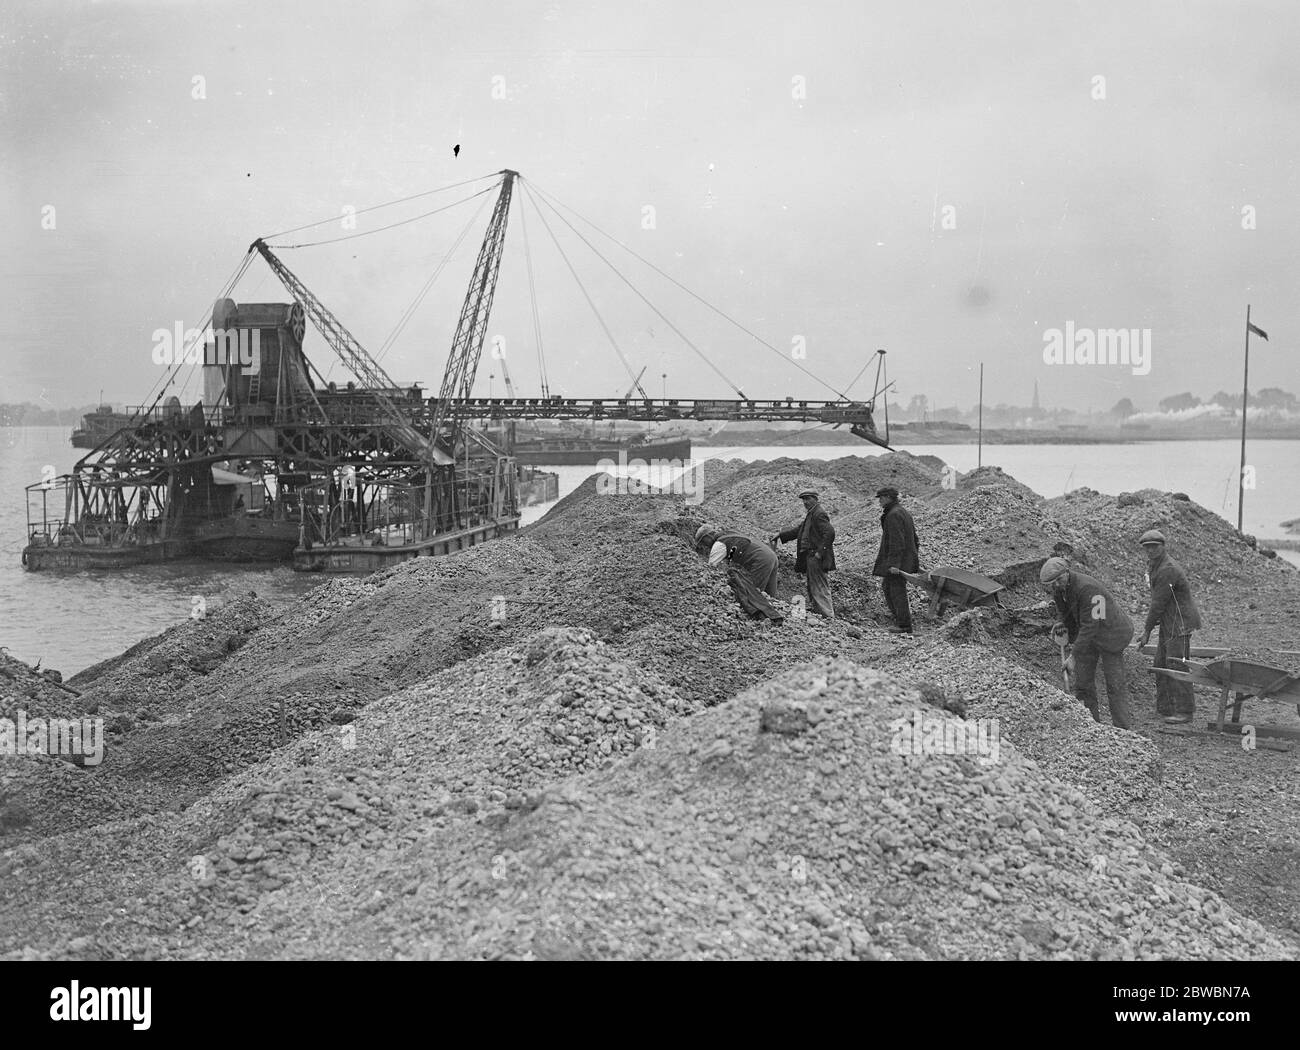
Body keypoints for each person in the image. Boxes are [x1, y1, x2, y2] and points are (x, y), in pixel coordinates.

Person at [1040, 556, 1133, 729]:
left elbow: (1091, 625)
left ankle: (1123, 730)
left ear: (1067, 572)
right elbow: (1063, 611)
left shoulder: (1088, 588)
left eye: (1059, 580)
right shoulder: (1059, 589)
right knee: (1082, 683)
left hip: (1111, 635)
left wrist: (1073, 656)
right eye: (1052, 583)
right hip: (1090, 636)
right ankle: (1091, 726)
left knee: (1114, 684)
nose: (1056, 585)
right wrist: (1061, 622)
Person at [1134, 529, 1202, 724]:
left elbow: (1158, 604)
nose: (1151, 551)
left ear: (1163, 546)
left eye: (1154, 547)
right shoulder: (1155, 565)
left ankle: (1184, 711)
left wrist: (1146, 631)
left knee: (1176, 664)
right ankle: (1165, 708)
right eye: (1147, 548)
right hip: (1169, 621)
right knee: (1160, 664)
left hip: (1179, 623)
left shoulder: (1167, 569)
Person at [771, 488, 836, 618]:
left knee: (820, 586)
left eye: (808, 499)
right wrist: (780, 535)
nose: (805, 502)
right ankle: (820, 614)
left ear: (815, 499)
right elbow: (798, 530)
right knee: (813, 584)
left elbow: (829, 533)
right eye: (804, 499)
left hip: (816, 556)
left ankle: (828, 616)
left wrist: (819, 553)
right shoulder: (811, 514)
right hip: (810, 556)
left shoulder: (819, 514)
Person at [872, 486, 920, 634]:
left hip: (898, 562)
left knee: (896, 590)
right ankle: (900, 620)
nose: (879, 501)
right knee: (888, 587)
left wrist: (894, 565)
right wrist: (912, 556)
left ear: (888, 497)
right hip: (905, 559)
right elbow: (915, 538)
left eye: (881, 498)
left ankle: (904, 626)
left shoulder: (893, 514)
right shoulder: (902, 512)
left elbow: (896, 542)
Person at [696, 523, 779, 598]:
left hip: (761, 559)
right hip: (771, 555)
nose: (705, 545)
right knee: (770, 596)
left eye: (703, 541)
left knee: (754, 594)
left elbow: (710, 567)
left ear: (708, 536)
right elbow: (732, 554)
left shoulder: (719, 543)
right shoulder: (730, 534)